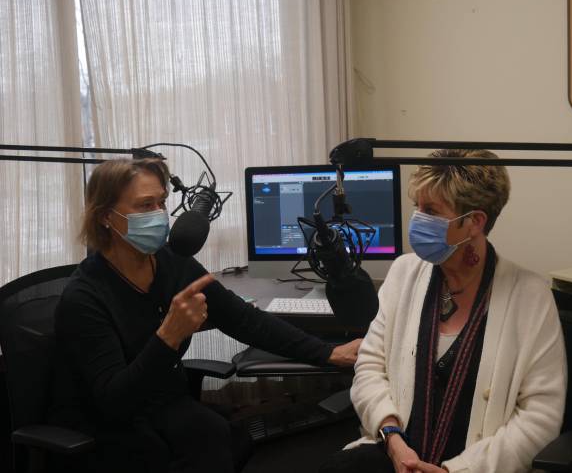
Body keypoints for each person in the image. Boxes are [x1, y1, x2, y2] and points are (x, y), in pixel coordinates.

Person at [49, 158, 361, 473]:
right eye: (145, 206)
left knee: (224, 438)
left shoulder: (172, 262)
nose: (159, 215)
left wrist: (328, 352)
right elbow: (115, 403)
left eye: (161, 203)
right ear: (105, 216)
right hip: (110, 426)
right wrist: (168, 336)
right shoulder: (84, 298)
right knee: (205, 443)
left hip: (164, 407)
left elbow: (244, 320)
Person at [320, 149, 566, 473]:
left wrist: (456, 471)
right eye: (417, 208)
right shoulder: (404, 273)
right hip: (396, 455)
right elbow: (370, 366)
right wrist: (392, 437)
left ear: (474, 222)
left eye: (431, 211)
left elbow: (540, 418)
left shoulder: (530, 297)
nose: (417, 219)